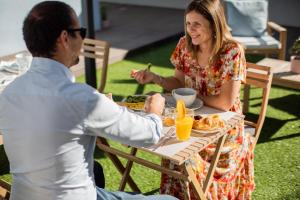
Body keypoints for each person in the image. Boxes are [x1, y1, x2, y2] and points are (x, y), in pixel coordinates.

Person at [0, 1, 178, 200]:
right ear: (65, 38)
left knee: (98, 174)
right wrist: (155, 109)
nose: (83, 39)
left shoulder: (9, 93)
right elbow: (149, 134)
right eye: (81, 31)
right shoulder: (81, 98)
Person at [132, 0, 255, 199]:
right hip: (191, 120)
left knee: (183, 158)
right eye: (188, 24)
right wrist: (155, 78)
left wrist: (192, 95)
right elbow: (178, 82)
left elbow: (225, 103)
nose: (191, 30)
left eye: (196, 24)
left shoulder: (231, 52)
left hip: (222, 129)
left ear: (213, 24)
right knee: (171, 148)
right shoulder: (184, 45)